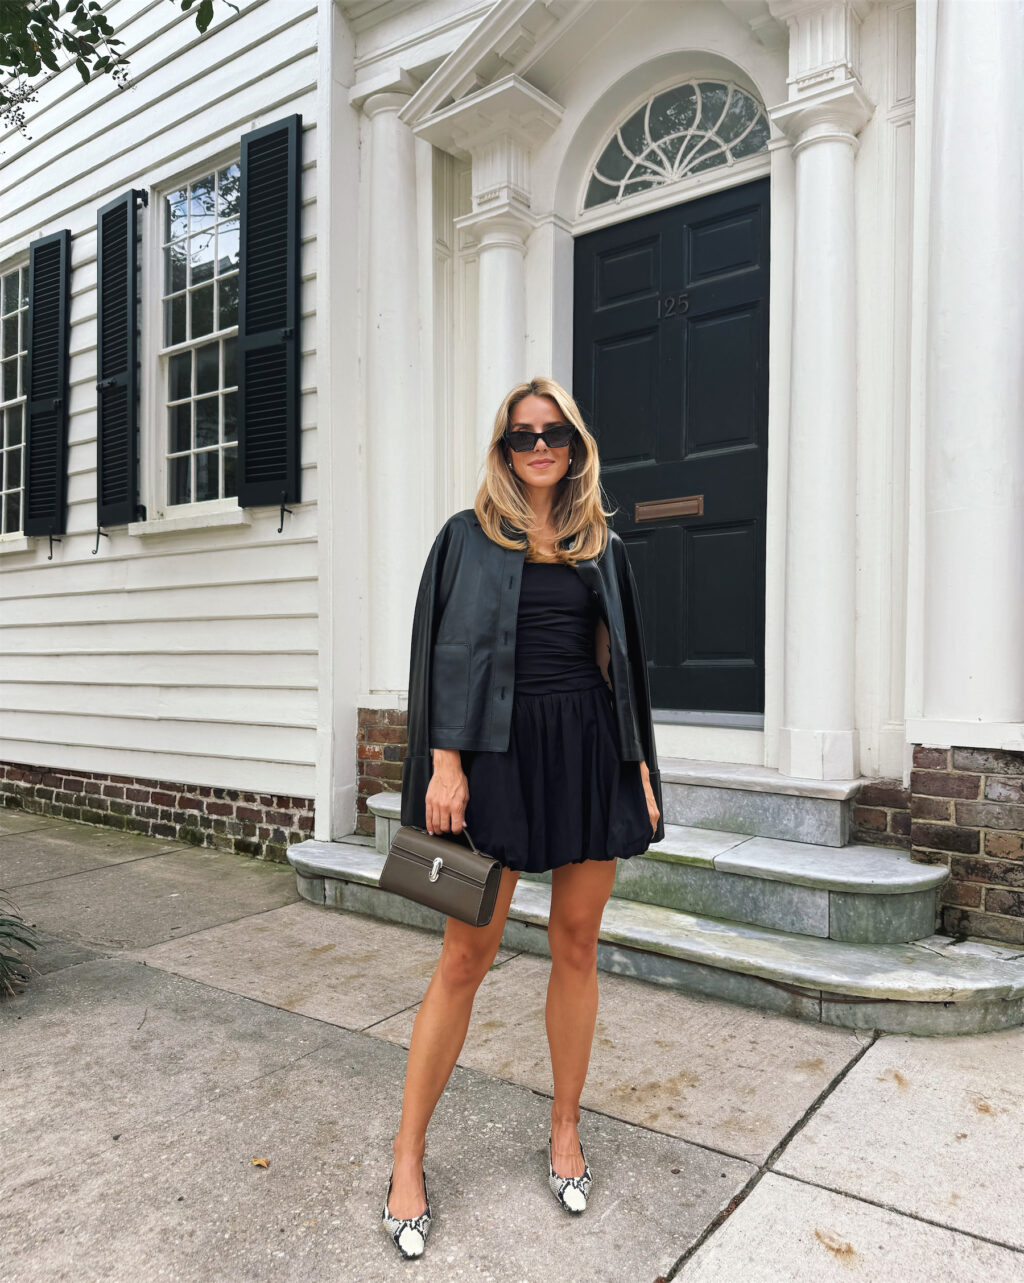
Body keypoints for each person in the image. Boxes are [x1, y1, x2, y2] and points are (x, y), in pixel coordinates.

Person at [381, 376, 661, 1259]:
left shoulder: (600, 544)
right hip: (493, 763)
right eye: (521, 436)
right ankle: (406, 1156)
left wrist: (642, 770)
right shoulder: (465, 538)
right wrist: (446, 765)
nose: (538, 447)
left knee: (577, 945)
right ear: (502, 450)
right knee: (466, 957)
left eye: (553, 434)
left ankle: (566, 1130)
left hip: (586, 753)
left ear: (574, 446)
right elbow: (442, 658)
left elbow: (627, 667)